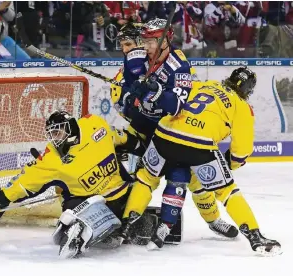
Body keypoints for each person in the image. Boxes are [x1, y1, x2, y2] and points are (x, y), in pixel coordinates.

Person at [121, 67, 282, 256]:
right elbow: (242, 151)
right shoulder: (242, 106)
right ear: (248, 90)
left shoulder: (202, 85)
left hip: (164, 134)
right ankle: (255, 236)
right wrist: (230, 165)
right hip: (199, 145)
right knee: (227, 192)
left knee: (146, 179)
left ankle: (125, 225)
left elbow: (172, 98)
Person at [112, 19, 238, 248]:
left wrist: (156, 91)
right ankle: (124, 217)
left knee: (193, 182)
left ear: (165, 40)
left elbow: (176, 105)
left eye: (150, 40)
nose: (141, 46)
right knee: (136, 171)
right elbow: (123, 98)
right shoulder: (134, 58)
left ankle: (212, 220)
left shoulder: (179, 65)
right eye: (142, 41)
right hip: (142, 126)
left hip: (169, 130)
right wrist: (130, 97)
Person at [0, 110, 146, 259]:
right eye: (52, 134)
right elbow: (27, 180)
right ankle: (77, 228)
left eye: (58, 132)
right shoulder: (52, 157)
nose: (55, 138)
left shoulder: (95, 126)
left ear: (70, 128)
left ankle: (119, 224)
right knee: (67, 200)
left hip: (120, 194)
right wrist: (5, 196)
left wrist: (140, 147)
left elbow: (120, 138)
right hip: (89, 203)